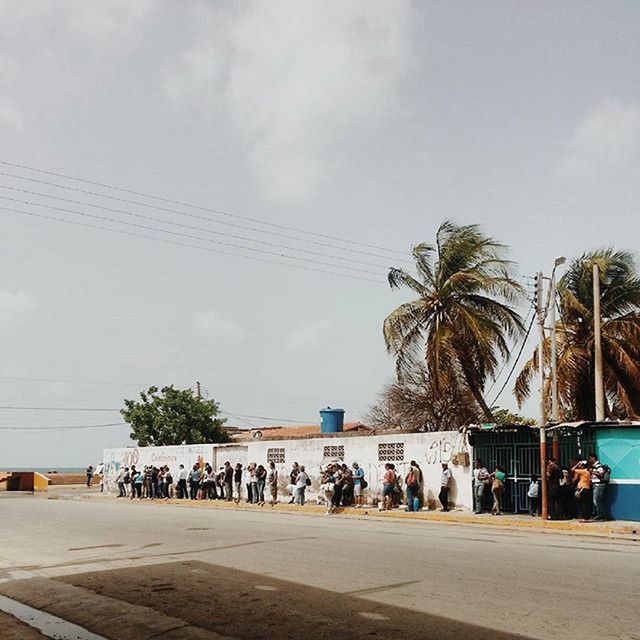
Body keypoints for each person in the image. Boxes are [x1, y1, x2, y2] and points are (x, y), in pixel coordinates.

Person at [587, 453, 609, 521]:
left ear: (593, 458)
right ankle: (598, 514)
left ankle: (601, 516)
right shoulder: (594, 466)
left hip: (599, 485)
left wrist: (592, 472)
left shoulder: (598, 466)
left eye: (590, 458)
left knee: (597, 501)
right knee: (596, 500)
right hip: (595, 484)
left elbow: (601, 474)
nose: (589, 459)